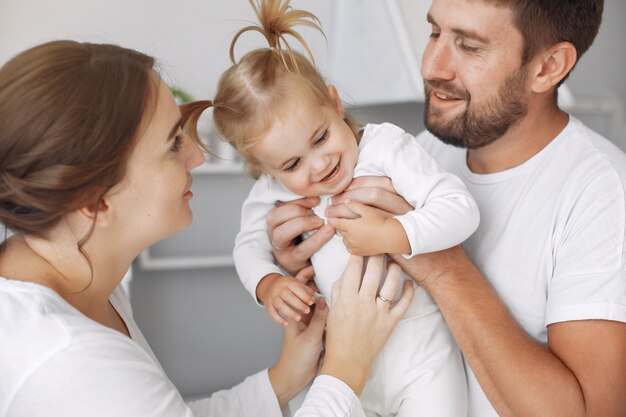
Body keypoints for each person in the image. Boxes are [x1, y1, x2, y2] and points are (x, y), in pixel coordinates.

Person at [0, 39, 415, 417]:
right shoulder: (64, 359)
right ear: (96, 201)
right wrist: (346, 364)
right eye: (173, 144)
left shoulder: (82, 281)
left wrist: (281, 381)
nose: (197, 157)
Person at [265, 0, 626, 416]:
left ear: (547, 67)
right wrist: (303, 261)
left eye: (469, 47)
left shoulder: (601, 195)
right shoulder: (421, 153)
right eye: (435, 32)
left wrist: (438, 262)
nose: (431, 67)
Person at [184, 0, 478, 415]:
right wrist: (267, 283)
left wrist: (391, 234)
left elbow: (460, 208)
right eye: (291, 164)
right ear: (263, 169)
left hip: (420, 351)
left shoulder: (384, 147)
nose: (319, 165)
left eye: (320, 138)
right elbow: (248, 247)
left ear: (335, 103)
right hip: (337, 358)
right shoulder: (273, 190)